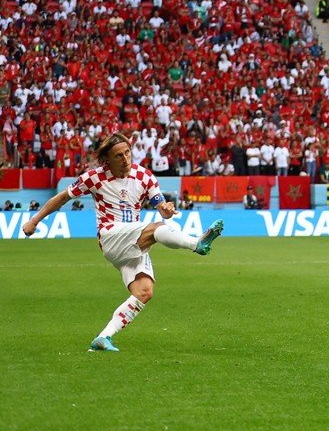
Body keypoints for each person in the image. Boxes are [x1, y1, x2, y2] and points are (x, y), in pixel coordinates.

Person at [21, 133, 224, 352]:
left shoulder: (144, 176)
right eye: (119, 155)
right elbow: (62, 198)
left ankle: (103, 338)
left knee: (144, 291)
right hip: (110, 236)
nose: (126, 159)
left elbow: (162, 208)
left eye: (127, 152)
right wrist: (34, 221)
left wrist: (166, 209)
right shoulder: (94, 178)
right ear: (107, 159)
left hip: (134, 240)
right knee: (155, 229)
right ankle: (197, 244)